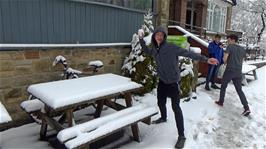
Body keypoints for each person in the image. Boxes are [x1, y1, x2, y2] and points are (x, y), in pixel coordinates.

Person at [138, 27, 218, 148]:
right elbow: (147, 51)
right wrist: (141, 39)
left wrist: (206, 59)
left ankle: (181, 136)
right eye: (157, 35)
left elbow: (189, 54)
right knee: (160, 102)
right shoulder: (155, 50)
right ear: (154, 37)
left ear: (164, 37)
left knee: (176, 108)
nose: (159, 37)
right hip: (162, 82)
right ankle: (163, 117)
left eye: (161, 35)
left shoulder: (171, 48)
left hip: (173, 83)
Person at [215, 34, 250, 116]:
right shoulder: (242, 49)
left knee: (223, 86)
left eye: (228, 39)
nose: (227, 41)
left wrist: (225, 60)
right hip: (238, 72)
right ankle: (246, 108)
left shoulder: (230, 47)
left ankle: (221, 101)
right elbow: (242, 60)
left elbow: (224, 59)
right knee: (239, 90)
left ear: (232, 40)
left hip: (230, 70)